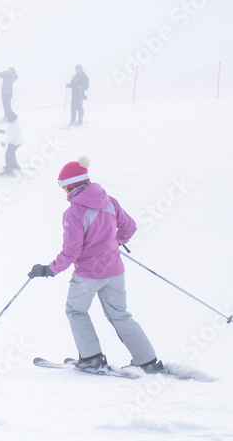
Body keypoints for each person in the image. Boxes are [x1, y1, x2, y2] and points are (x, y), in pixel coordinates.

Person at [27, 157, 164, 374]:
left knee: (76, 311)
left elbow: (72, 251)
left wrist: (48, 270)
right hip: (115, 271)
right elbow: (129, 228)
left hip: (89, 275)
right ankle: (148, 361)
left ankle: (91, 359)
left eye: (64, 187)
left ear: (71, 185)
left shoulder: (74, 212)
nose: (64, 193)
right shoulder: (109, 201)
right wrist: (114, 242)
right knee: (120, 314)